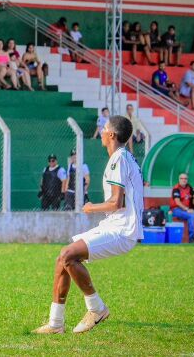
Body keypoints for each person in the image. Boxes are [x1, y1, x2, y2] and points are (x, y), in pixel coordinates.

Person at [34, 116, 143, 335]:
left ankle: (97, 309)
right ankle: (56, 324)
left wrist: (90, 207)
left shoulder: (119, 159)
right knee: (62, 259)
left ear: (111, 135)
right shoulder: (124, 157)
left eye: (104, 129)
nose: (101, 132)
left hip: (123, 230)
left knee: (68, 255)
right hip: (115, 225)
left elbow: (116, 202)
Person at [171, 173, 194, 243]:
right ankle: (191, 238)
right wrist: (187, 209)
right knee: (191, 215)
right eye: (182, 178)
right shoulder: (176, 188)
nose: (184, 180)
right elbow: (177, 202)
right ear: (179, 179)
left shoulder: (189, 187)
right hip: (176, 210)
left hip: (186, 210)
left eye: (185, 178)